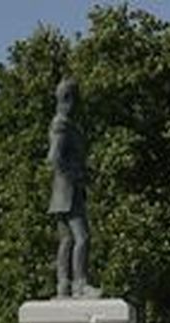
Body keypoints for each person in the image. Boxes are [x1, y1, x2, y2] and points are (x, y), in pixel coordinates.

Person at [47, 77, 97, 298]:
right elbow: (54, 157)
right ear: (68, 99)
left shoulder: (62, 123)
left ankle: (63, 284)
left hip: (61, 191)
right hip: (68, 190)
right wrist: (75, 175)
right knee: (82, 237)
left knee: (66, 239)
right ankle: (80, 284)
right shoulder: (62, 125)